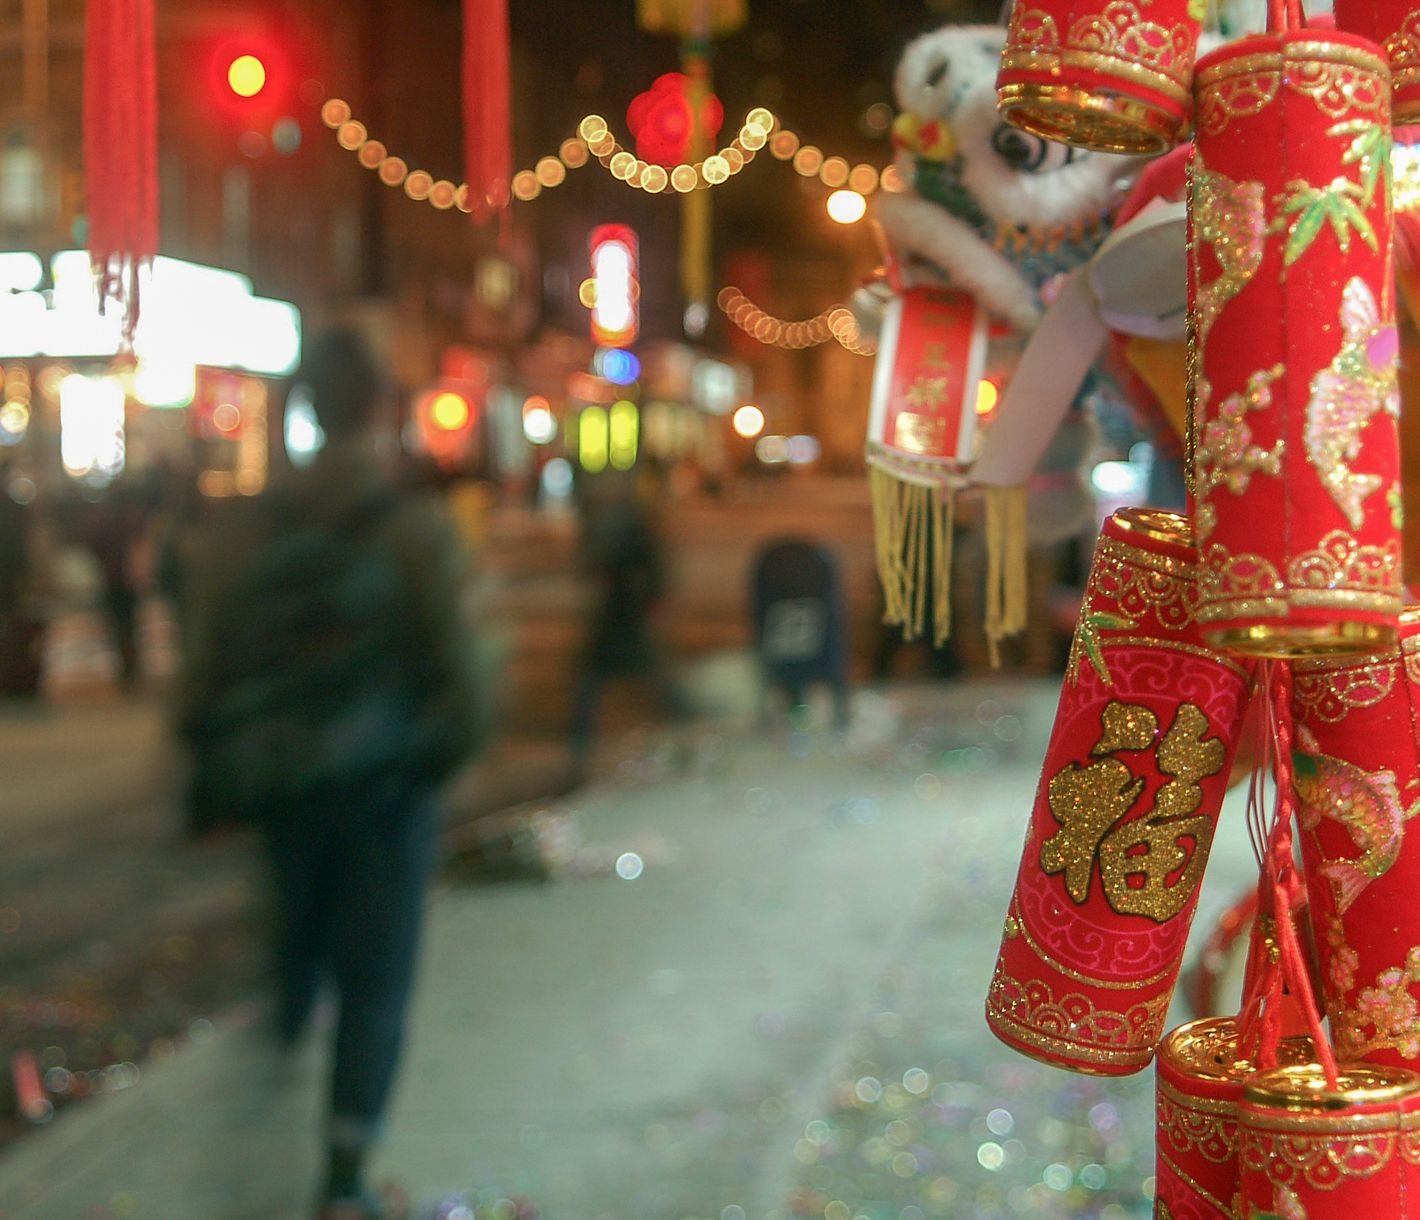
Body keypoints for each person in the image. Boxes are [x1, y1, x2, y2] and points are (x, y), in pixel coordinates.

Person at [175, 329, 497, 1220]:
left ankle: (265, 1106)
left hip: (283, 788)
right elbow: (463, 669)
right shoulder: (412, 527)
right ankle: (344, 1181)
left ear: (307, 407)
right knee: (375, 982)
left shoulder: (248, 527)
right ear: (380, 409)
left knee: (296, 950)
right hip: (386, 790)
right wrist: (447, 756)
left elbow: (203, 662)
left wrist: (209, 765)